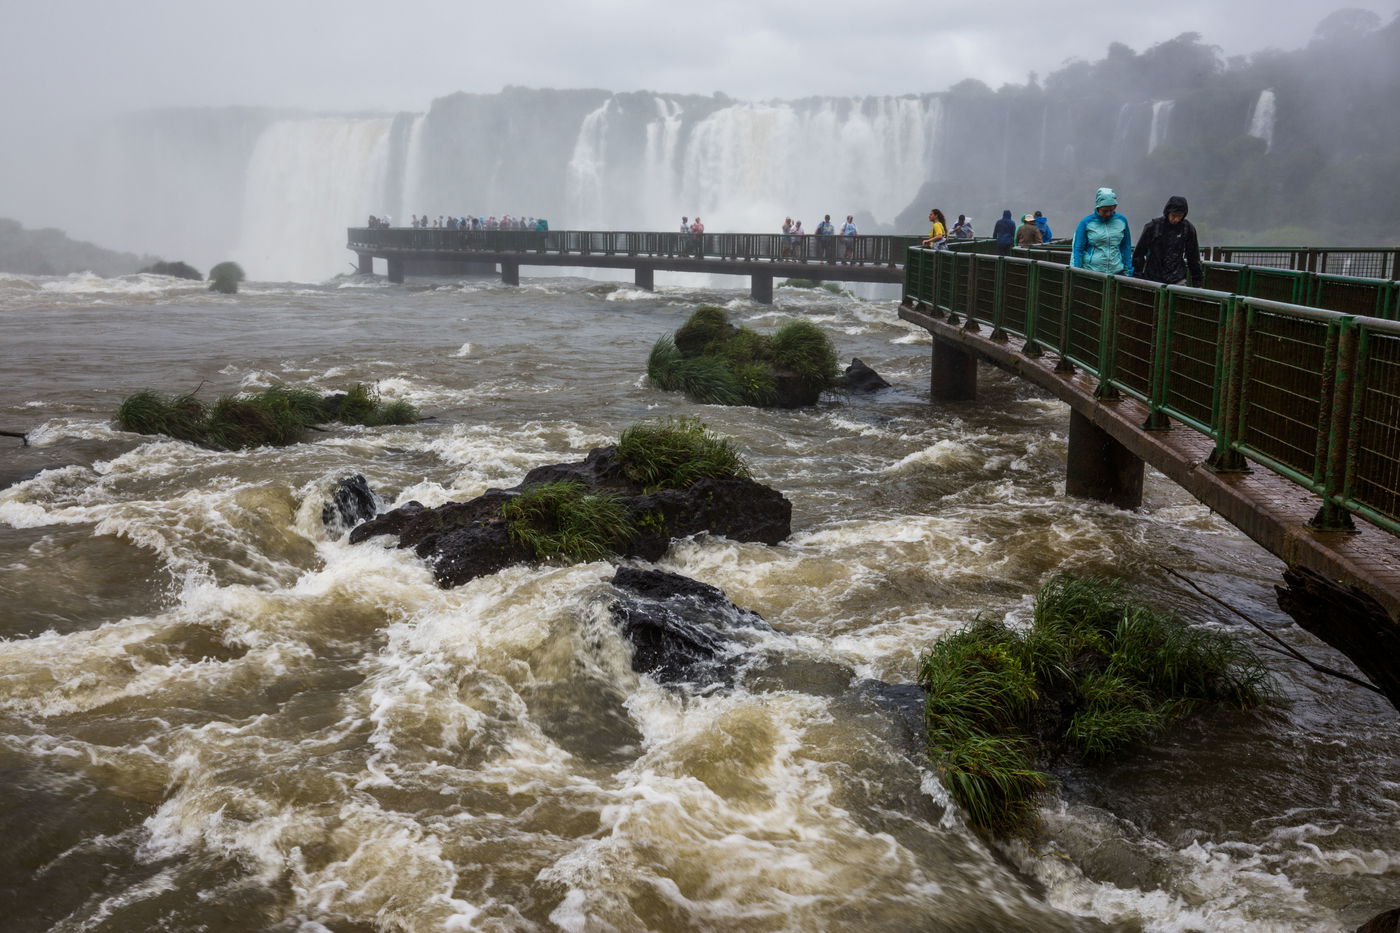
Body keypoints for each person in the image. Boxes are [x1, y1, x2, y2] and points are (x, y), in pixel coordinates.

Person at [1132, 195, 1204, 287]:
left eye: (1180, 216)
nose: (1176, 219)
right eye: (1173, 216)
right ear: (1168, 212)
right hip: (1153, 278)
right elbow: (1139, 253)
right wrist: (1137, 275)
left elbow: (1193, 256)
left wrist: (1197, 281)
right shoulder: (1153, 226)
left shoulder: (1187, 228)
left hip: (1177, 278)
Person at [1071, 187, 1133, 275]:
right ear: (1098, 207)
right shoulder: (1086, 223)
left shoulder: (1122, 221)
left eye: (1111, 210)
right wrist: (1077, 272)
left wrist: (1128, 271)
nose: (1108, 214)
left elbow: (1126, 246)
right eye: (1105, 211)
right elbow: (1078, 249)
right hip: (1092, 272)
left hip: (1116, 272)